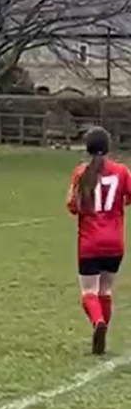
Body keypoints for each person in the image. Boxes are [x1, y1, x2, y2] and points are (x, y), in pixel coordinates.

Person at [65, 126, 131, 355]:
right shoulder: (121, 171)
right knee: (106, 291)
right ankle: (103, 331)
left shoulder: (81, 173)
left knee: (89, 292)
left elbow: (73, 207)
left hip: (89, 242)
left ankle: (97, 323)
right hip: (114, 242)